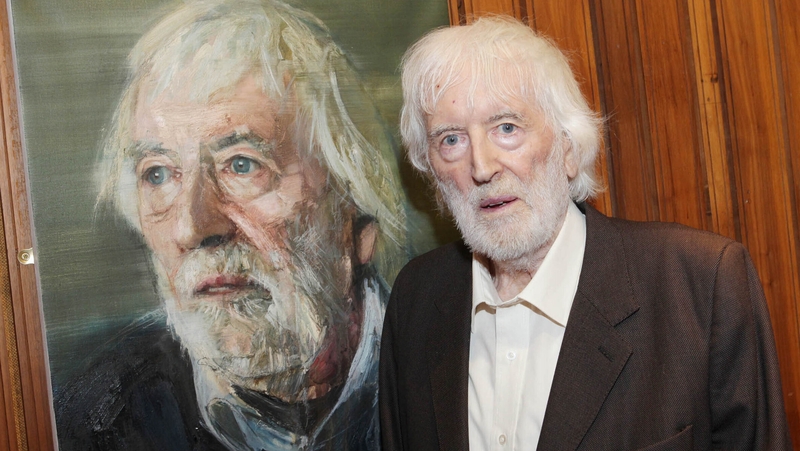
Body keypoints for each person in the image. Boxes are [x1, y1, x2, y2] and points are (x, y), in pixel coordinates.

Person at [379, 16, 791, 451]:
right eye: (451, 140)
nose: (481, 166)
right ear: (432, 173)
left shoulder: (701, 288)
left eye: (507, 128)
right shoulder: (416, 301)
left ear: (569, 148)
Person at [55, 1, 407, 450]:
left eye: (241, 164)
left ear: (357, 223)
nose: (192, 226)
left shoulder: (446, 355)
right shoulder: (98, 417)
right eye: (158, 173)